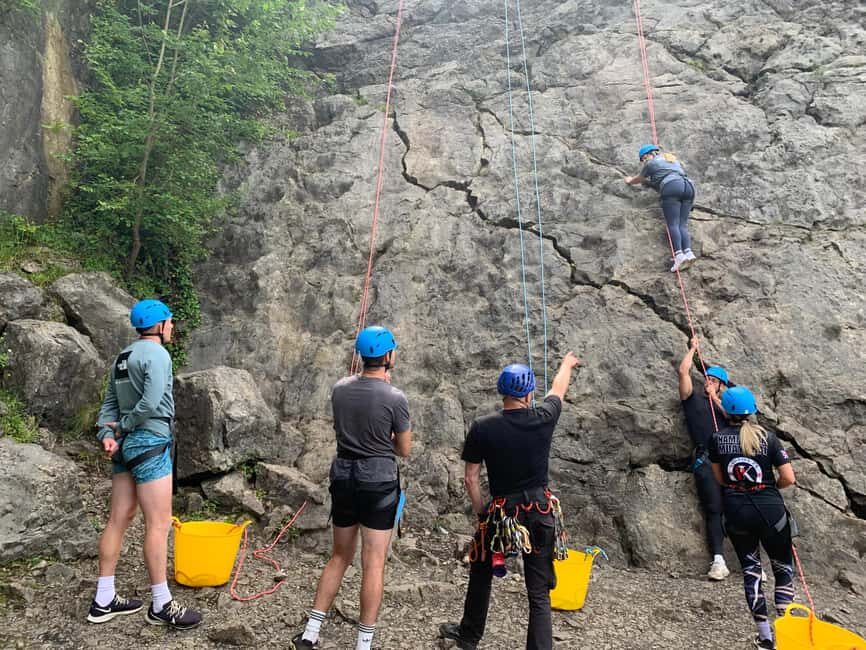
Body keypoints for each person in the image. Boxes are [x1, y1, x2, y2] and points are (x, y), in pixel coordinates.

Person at [440, 352, 581, 650]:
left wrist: (482, 514)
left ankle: (468, 636)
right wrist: (566, 364)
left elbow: (470, 478)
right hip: (540, 511)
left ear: (502, 391)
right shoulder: (544, 417)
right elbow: (558, 389)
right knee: (538, 592)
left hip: (503, 514)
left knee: (481, 569)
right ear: (529, 393)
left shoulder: (483, 426)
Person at [292, 325, 412, 650]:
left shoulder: (340, 389)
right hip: (379, 483)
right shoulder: (395, 398)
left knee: (339, 556)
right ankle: (363, 644)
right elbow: (403, 449)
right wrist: (383, 435)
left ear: (361, 356)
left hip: (344, 477)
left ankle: (310, 633)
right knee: (373, 563)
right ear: (387, 357)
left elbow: (349, 426)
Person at [88, 299, 201, 629]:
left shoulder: (123, 357)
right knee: (159, 523)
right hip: (149, 442)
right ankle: (161, 604)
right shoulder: (158, 355)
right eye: (171, 321)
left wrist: (106, 433)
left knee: (117, 519)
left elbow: (109, 401)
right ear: (160, 325)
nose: (173, 327)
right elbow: (151, 402)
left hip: (124, 448)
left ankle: (104, 598)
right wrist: (125, 425)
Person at [709, 386, 796, 650]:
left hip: (737, 513)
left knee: (751, 572)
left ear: (727, 411)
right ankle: (789, 631)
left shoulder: (717, 439)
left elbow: (720, 479)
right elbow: (789, 478)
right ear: (752, 410)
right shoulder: (768, 438)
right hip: (771, 511)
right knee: (782, 569)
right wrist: (769, 488)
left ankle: (766, 638)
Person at [678, 336, 731, 581]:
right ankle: (718, 560)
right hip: (707, 461)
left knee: (738, 510)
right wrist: (692, 350)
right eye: (707, 379)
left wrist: (717, 398)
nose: (708, 382)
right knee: (714, 508)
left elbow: (736, 419)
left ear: (722, 385)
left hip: (730, 460)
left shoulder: (727, 408)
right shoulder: (692, 400)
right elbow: (683, 372)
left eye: (713, 380)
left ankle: (750, 562)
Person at [624, 144, 697, 272]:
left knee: (672, 224)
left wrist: (630, 180)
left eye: (643, 158)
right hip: (689, 187)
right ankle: (689, 253)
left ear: (647, 154)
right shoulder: (673, 159)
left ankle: (679, 255)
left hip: (672, 186)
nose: (644, 161)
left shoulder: (651, 163)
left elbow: (639, 178)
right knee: (682, 224)